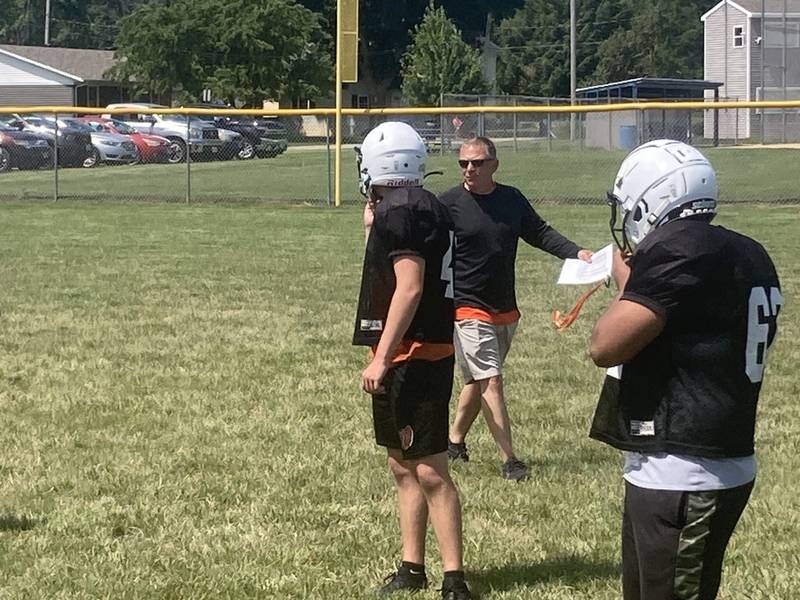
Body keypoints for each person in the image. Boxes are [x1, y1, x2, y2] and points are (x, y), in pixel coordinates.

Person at [589, 139, 782, 600]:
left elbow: (604, 346)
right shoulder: (747, 249)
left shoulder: (682, 247)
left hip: (685, 465)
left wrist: (626, 283)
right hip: (694, 455)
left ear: (649, 200)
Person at [353, 121, 472, 600]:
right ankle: (411, 565)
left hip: (414, 350)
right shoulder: (417, 205)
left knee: (428, 469)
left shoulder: (401, 210)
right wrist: (371, 229)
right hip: (412, 346)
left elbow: (410, 286)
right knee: (402, 465)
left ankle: (454, 578)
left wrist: (383, 357)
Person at [440, 136, 592, 480]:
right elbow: (421, 235)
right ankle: (510, 461)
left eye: (476, 163)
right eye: (463, 163)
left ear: (494, 164)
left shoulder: (510, 199)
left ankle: (453, 443)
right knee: (491, 381)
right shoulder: (448, 203)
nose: (468, 169)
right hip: (466, 307)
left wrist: (578, 253)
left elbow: (540, 232)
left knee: (478, 382)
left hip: (504, 308)